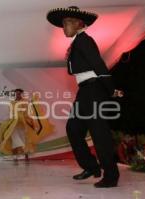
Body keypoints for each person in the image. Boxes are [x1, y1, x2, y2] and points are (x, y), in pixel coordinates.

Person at [47, 6, 123, 187]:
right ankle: (91, 166)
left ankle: (111, 176)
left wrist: (111, 89)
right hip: (85, 91)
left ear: (78, 24)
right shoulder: (77, 42)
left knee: (99, 134)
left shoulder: (84, 40)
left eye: (67, 23)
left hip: (94, 90)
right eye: (63, 23)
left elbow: (99, 65)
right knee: (73, 129)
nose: (64, 27)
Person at [0, 89, 54, 161]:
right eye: (16, 93)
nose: (18, 95)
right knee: (14, 137)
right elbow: (10, 114)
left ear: (21, 94)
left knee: (25, 139)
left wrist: (31, 122)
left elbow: (28, 113)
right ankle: (15, 156)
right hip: (14, 123)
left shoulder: (25, 102)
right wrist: (2, 121)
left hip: (23, 122)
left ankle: (26, 156)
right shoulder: (12, 103)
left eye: (19, 93)